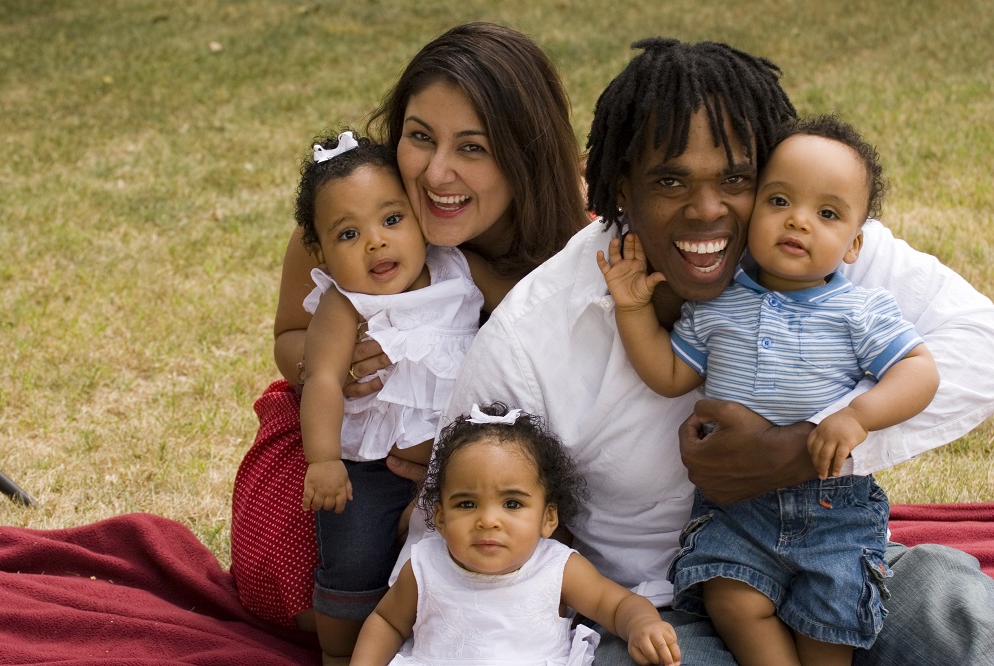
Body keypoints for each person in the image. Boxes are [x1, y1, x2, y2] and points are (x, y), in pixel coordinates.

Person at [417, 37, 994, 665]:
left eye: (737, 180)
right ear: (618, 190)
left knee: (954, 605)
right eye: (670, 181)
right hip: (665, 609)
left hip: (840, 561)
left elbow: (981, 345)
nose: (708, 210)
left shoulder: (814, 241)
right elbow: (449, 527)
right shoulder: (531, 336)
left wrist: (801, 451)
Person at [230, 20, 587, 638]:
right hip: (347, 444)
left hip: (497, 465)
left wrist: (453, 473)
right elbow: (291, 334)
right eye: (420, 137)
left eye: (472, 148)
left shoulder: (565, 248)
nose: (436, 173)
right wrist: (329, 369)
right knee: (316, 575)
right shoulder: (352, 215)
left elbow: (579, 393)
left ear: (524, 157)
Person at [598, 114, 940, 665]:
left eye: (826, 214)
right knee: (731, 596)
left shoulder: (858, 309)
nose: (798, 222)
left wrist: (858, 416)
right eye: (779, 202)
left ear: (853, 244)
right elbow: (667, 375)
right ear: (753, 211)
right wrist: (633, 309)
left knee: (829, 619)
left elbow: (919, 370)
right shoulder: (717, 306)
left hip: (833, 507)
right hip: (740, 509)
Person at [291, 129, 516, 659]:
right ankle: (339, 650)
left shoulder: (457, 269)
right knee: (352, 559)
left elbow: (523, 305)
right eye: (349, 234)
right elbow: (321, 378)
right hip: (367, 468)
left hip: (461, 460)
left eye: (392, 220)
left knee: (461, 559)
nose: (376, 241)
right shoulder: (344, 305)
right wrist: (323, 460)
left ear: (419, 217)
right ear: (321, 252)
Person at [352, 403, 681, 666]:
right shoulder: (425, 567)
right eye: (466, 503)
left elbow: (618, 604)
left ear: (547, 518)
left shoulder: (558, 569)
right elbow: (387, 621)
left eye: (512, 503)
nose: (488, 520)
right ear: (440, 517)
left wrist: (642, 624)